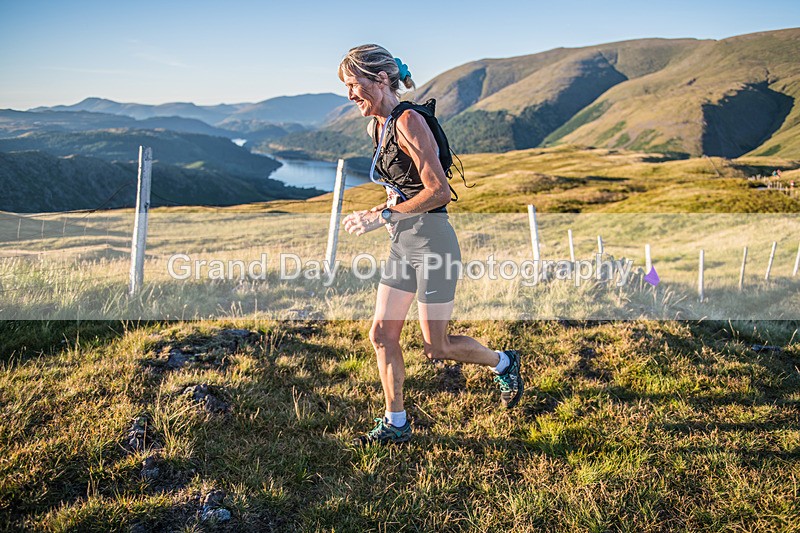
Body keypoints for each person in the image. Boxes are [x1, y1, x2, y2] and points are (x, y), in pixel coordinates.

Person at [339, 44, 524, 446]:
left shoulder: (408, 121)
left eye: (354, 85)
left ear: (381, 79)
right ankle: (396, 422)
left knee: (436, 347)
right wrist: (379, 210)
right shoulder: (380, 125)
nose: (350, 95)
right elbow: (403, 189)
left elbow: (439, 191)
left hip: (433, 245)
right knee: (382, 335)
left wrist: (383, 216)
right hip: (403, 244)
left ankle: (504, 362)